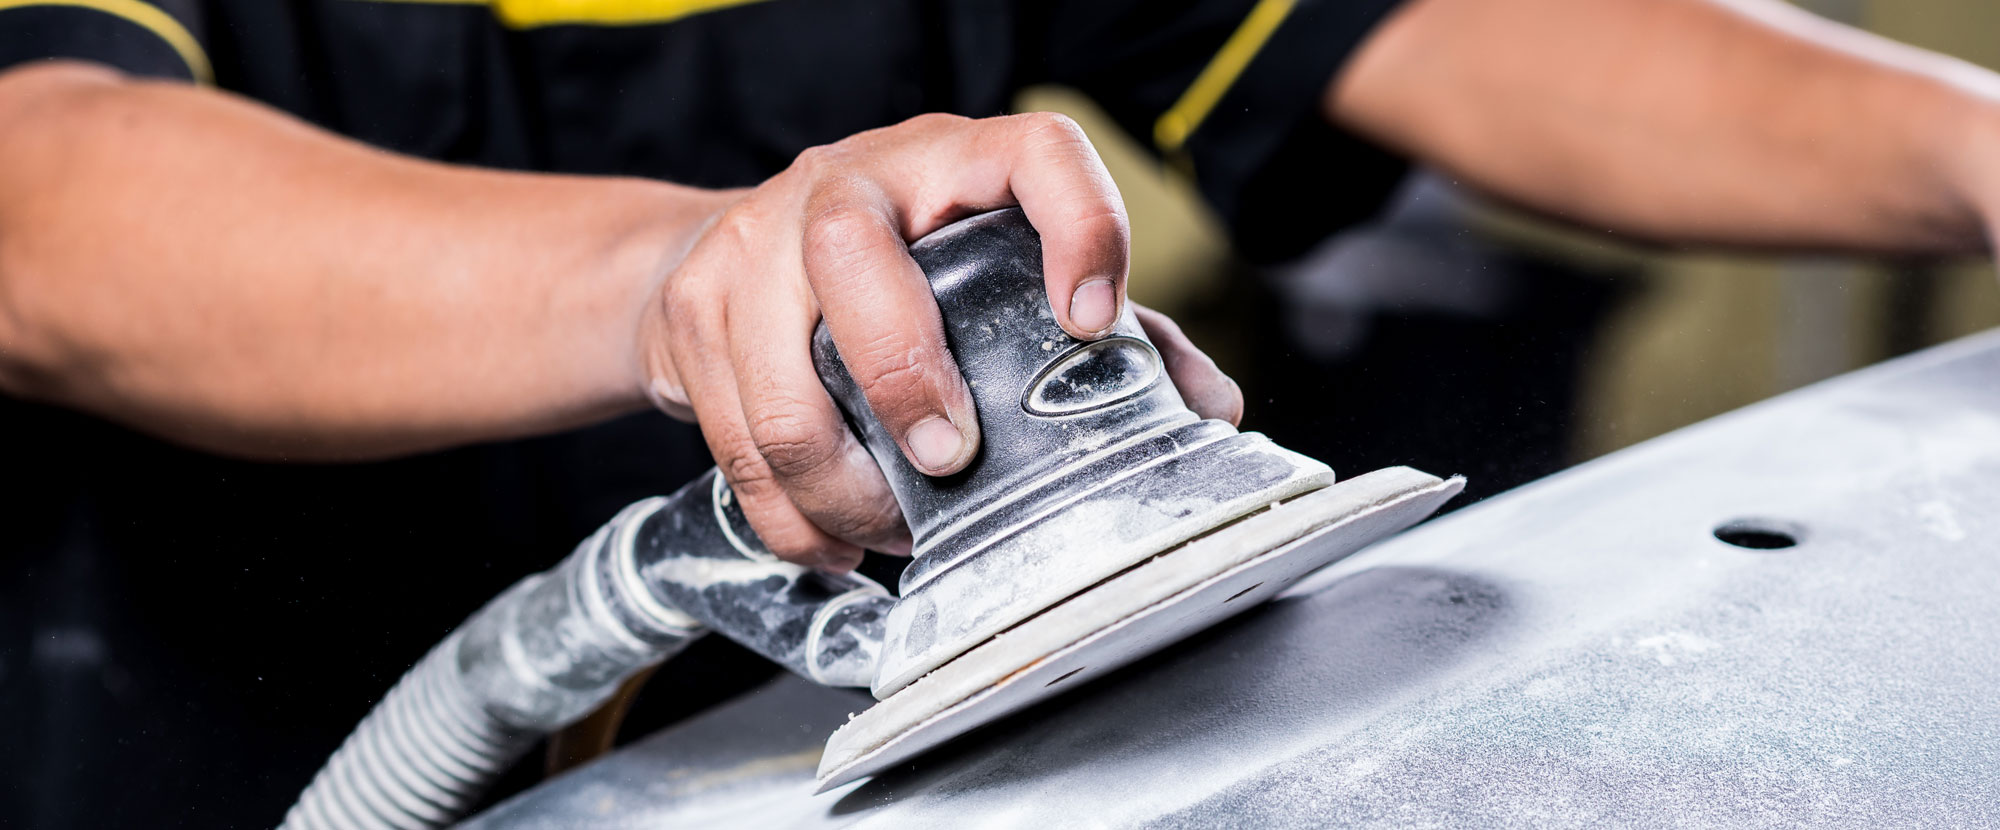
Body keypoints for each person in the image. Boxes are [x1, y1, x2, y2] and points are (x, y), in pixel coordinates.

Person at [1, 0, 1995, 825]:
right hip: (222, 730)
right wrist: (699, 278)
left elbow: (1429, 24)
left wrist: (1968, 140)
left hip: (846, 753)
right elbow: (47, 194)